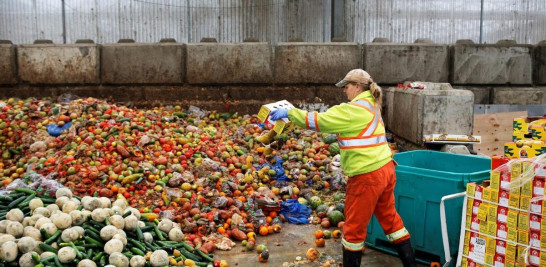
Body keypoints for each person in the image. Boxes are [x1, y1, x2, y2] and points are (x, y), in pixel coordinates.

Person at [269, 69, 416, 267]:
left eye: (346, 87)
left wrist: (290, 113)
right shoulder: (372, 104)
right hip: (386, 169)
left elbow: (319, 121)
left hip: (367, 176)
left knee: (353, 230)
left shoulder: (352, 110)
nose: (344, 91)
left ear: (357, 86)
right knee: (391, 220)